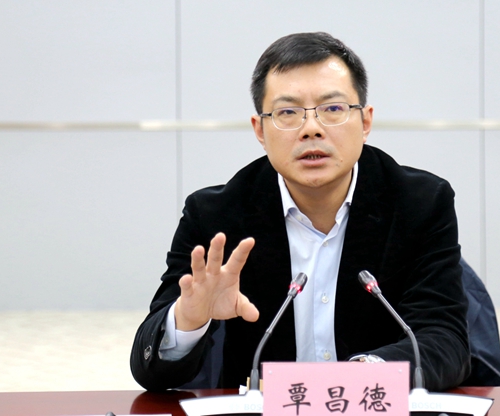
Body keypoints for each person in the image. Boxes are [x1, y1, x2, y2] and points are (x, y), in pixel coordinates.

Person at [130, 32, 470, 392]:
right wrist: (188, 321)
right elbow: (150, 370)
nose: (311, 129)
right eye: (288, 113)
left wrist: (361, 376)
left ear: (365, 122)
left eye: (333, 109)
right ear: (260, 130)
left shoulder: (420, 204)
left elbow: (445, 339)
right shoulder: (215, 216)